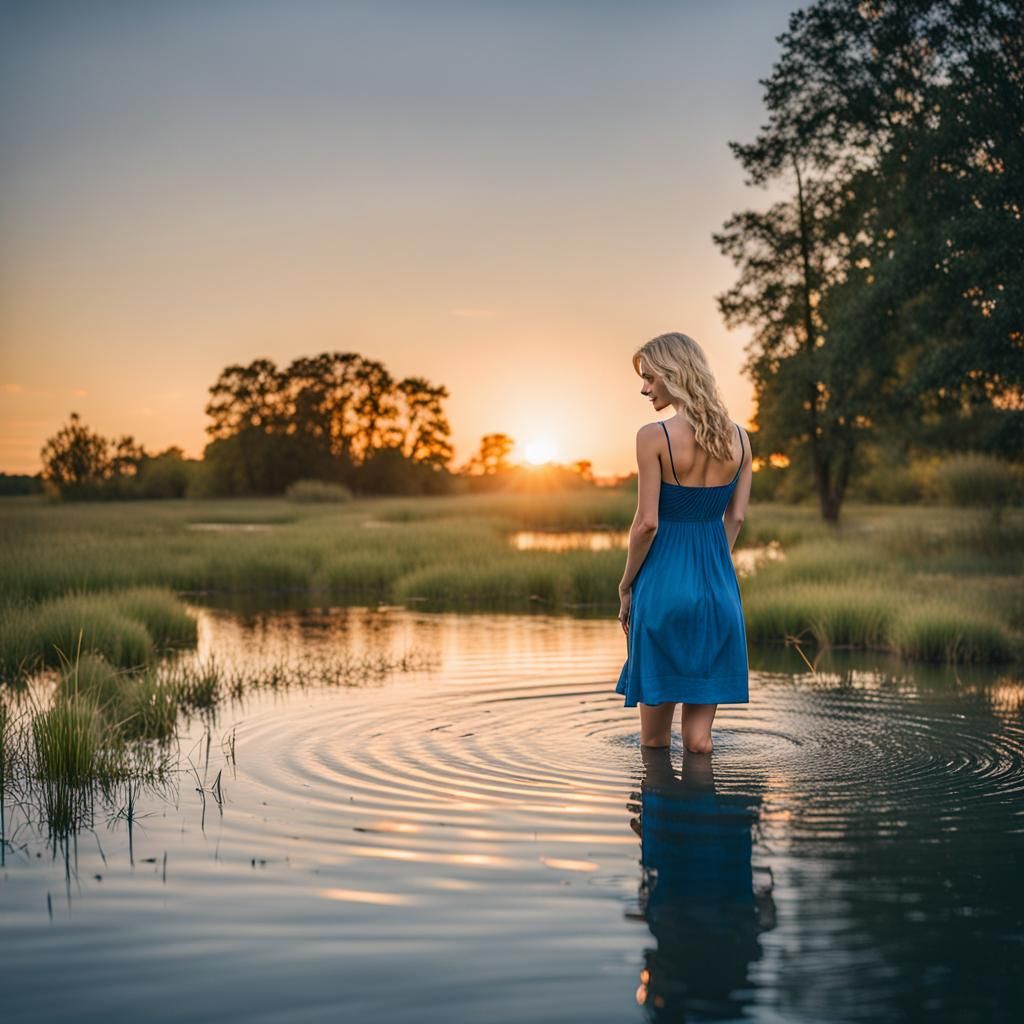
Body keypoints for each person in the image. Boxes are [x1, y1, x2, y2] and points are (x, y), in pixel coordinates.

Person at [615, 331, 751, 754]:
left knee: (654, 742)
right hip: (718, 592)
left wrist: (625, 587)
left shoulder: (652, 436)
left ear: (676, 374)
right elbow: (738, 516)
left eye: (651, 378)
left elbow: (646, 524)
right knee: (699, 741)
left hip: (662, 592)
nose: (644, 388)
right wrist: (710, 568)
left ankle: (665, 815)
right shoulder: (742, 439)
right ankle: (701, 815)